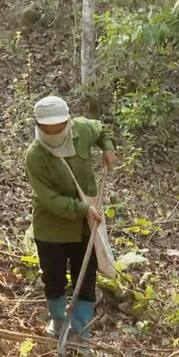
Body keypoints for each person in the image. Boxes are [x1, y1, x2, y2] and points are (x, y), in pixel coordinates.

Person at [24, 95, 116, 340]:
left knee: (85, 279)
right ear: (38, 126)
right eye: (47, 129)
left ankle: (80, 329)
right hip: (51, 227)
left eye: (58, 127)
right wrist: (82, 209)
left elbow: (101, 130)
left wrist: (108, 147)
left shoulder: (82, 130)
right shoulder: (35, 156)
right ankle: (57, 321)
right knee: (53, 278)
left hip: (85, 226)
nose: (53, 133)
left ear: (67, 123)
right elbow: (49, 199)